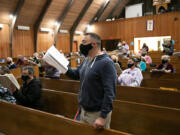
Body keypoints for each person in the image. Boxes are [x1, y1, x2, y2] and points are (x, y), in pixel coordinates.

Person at [66, 33, 117, 129]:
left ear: (94, 44)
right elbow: (76, 74)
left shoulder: (106, 63)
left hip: (97, 113)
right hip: (84, 110)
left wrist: (103, 116)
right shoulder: (87, 59)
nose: (81, 45)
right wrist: (61, 66)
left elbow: (110, 92)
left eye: (84, 42)